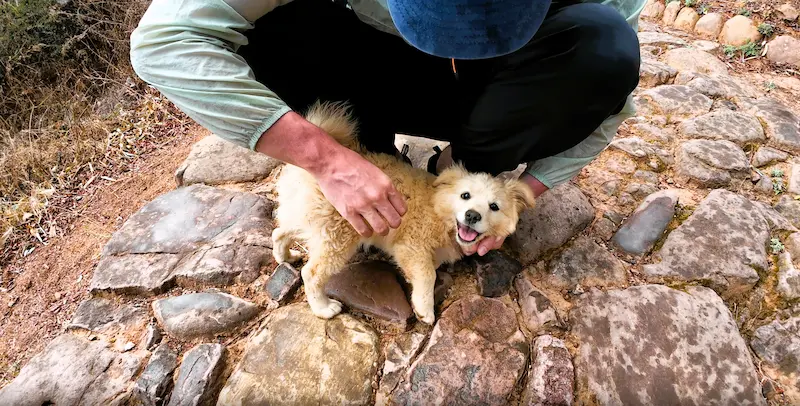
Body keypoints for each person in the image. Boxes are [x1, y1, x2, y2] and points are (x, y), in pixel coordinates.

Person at [130, 0, 645, 257]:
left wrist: (523, 191)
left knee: (603, 44)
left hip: (496, 85)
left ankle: (463, 163)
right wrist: (325, 159)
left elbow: (610, 93)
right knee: (267, 29)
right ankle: (366, 155)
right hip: (369, 57)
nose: (455, 45)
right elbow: (162, 43)